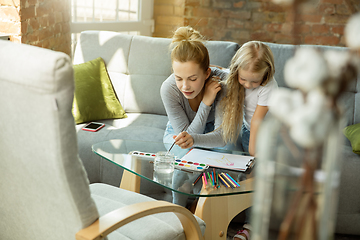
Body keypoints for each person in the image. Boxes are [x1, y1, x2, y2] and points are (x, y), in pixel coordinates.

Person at [160, 26, 229, 207]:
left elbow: (221, 137)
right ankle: (178, 212)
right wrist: (206, 103)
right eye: (179, 78)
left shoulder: (221, 84)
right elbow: (185, 139)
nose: (185, 87)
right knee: (185, 157)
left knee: (222, 162)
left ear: (207, 73)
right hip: (177, 133)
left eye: (192, 78)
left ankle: (205, 211)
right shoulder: (168, 89)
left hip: (212, 133)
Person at [221, 41, 277, 240]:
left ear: (266, 74)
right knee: (233, 169)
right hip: (245, 128)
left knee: (255, 177)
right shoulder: (236, 76)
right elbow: (223, 73)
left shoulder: (269, 87)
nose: (247, 85)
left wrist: (253, 153)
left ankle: (251, 225)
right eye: (243, 79)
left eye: (254, 81)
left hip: (263, 132)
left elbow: (257, 122)